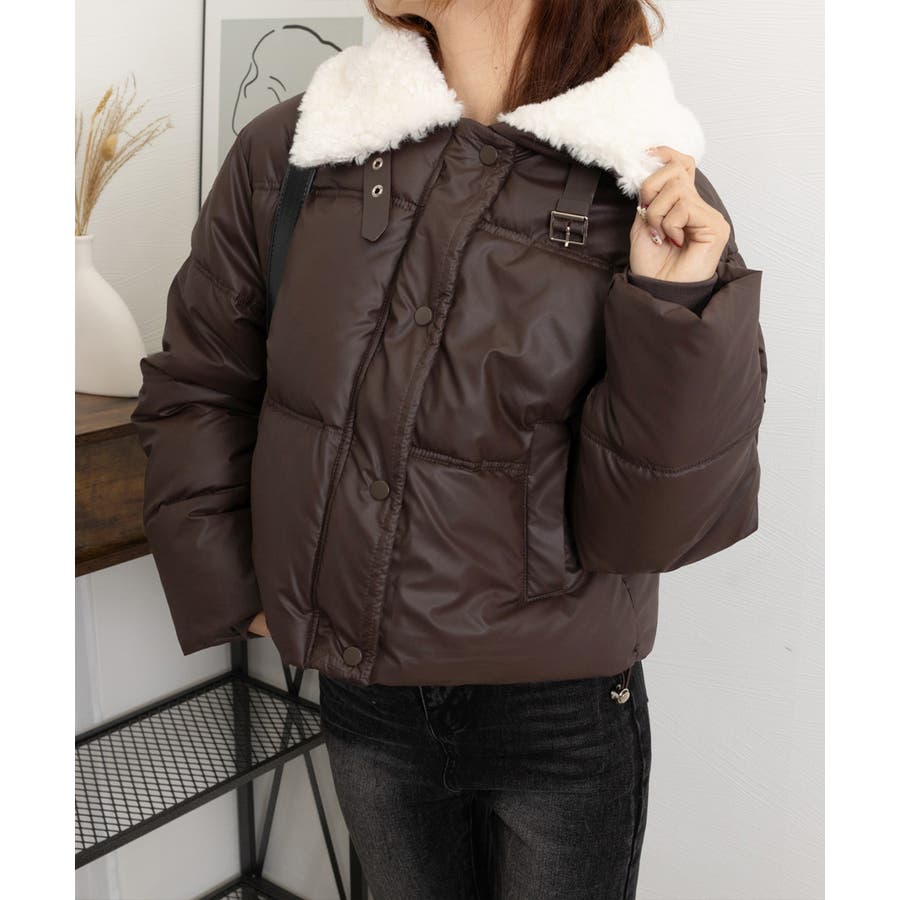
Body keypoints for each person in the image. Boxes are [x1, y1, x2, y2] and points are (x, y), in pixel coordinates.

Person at [131, 1, 768, 897]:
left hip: (559, 712)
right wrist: (243, 597)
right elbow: (201, 385)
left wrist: (675, 308)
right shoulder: (297, 152)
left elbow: (655, 528)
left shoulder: (648, 188)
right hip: (369, 704)